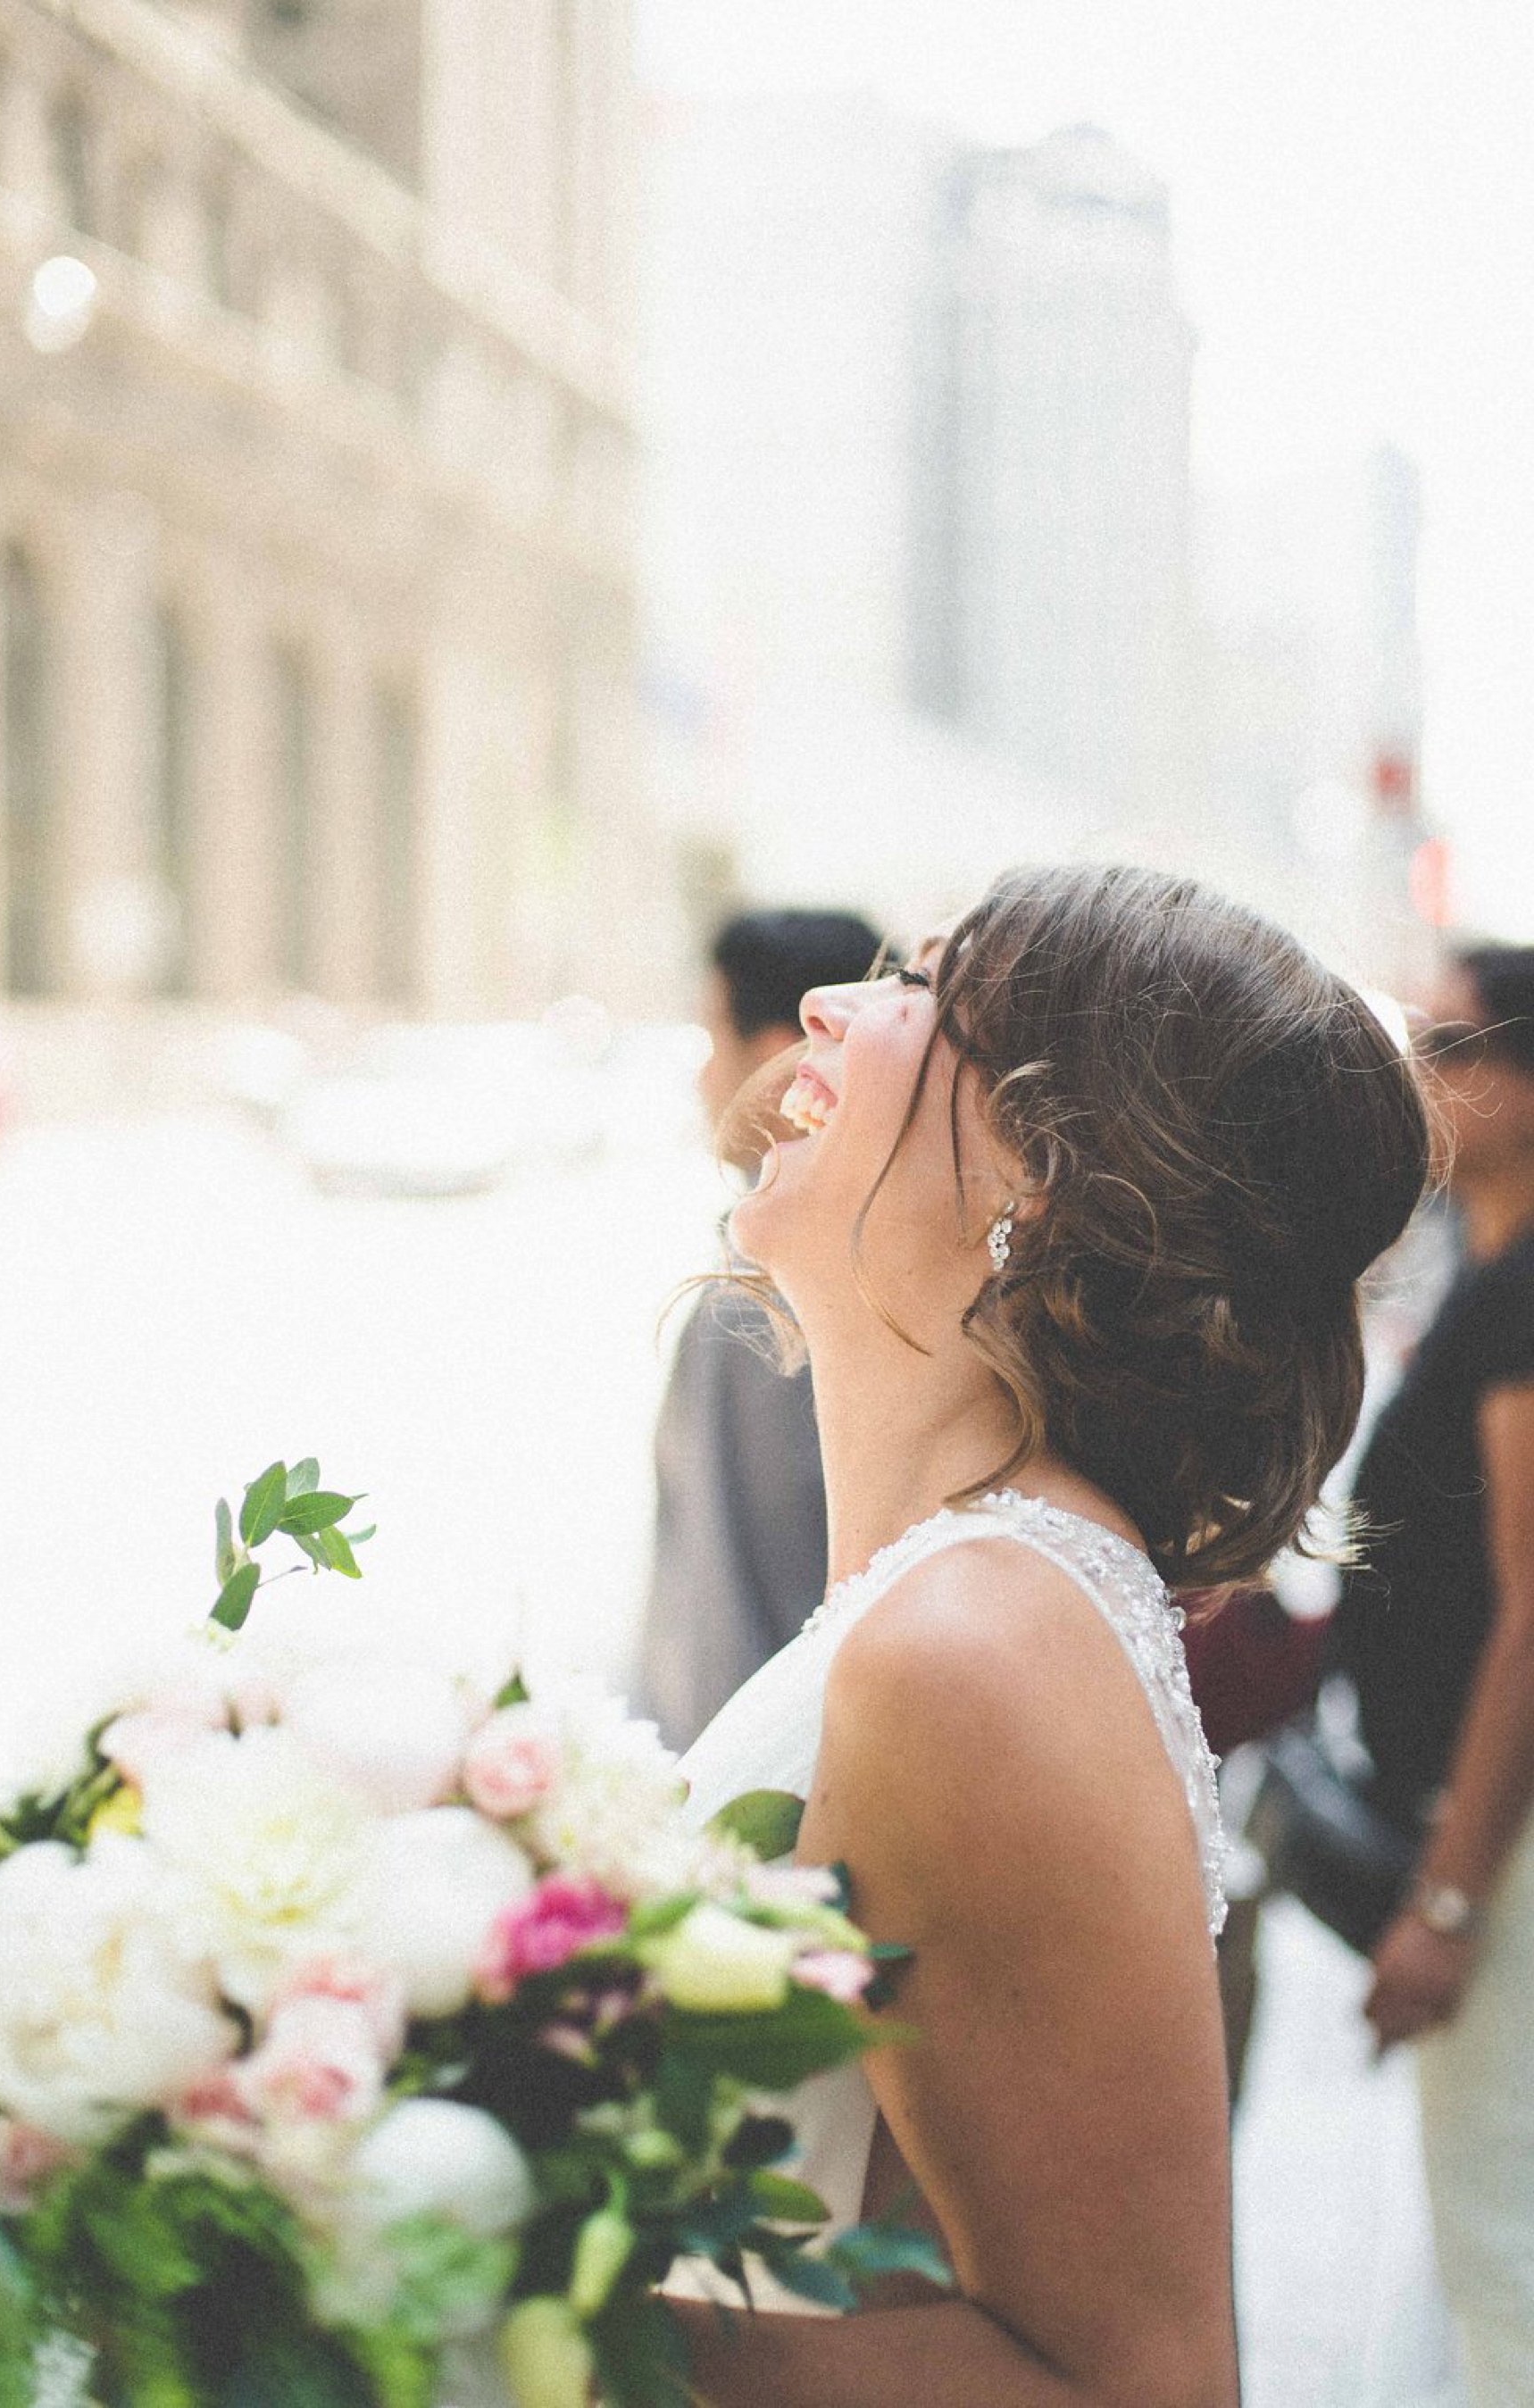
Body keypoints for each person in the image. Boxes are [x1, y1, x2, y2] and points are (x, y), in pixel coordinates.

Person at [664, 863, 1432, 2407]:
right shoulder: (960, 1601)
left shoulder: (978, 1643)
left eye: (922, 991)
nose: (832, 1004)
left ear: (1048, 1180)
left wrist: (498, 2271)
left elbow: (1140, 2386)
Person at [1338, 943, 1534, 2402]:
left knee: (1502, 2243)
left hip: (1510, 1853)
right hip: (1476, 1823)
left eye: (1454, 1043)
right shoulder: (1478, 1254)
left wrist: (1452, 1902)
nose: (1421, 1069)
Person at [634, 907, 884, 1751]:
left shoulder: (773, 1299)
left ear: (781, 1054)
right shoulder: (825, 1270)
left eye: (713, 1038)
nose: (703, 1078)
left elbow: (734, 1588)